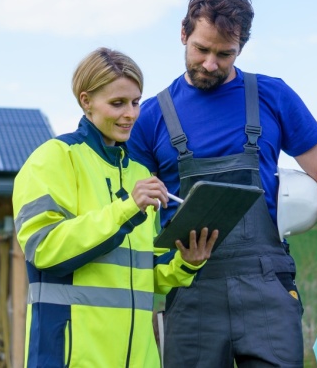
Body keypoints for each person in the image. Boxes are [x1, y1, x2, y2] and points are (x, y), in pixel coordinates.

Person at [127, 0, 317, 367]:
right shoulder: (150, 117)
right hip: (189, 288)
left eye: (225, 53)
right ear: (183, 34)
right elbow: (130, 208)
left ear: (241, 48)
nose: (211, 64)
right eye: (201, 49)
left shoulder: (271, 95)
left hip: (266, 286)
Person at [12, 47, 218, 367]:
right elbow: (43, 248)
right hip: (69, 358)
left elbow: (143, 274)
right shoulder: (52, 158)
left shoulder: (140, 174)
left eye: (136, 102)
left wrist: (186, 263)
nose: (131, 114)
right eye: (118, 103)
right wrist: (125, 209)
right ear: (86, 101)